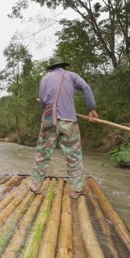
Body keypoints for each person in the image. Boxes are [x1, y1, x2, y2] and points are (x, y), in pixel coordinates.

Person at [30, 57, 98, 198]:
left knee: (42, 155)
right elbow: (85, 88)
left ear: (51, 68)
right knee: (74, 157)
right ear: (64, 67)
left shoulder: (44, 79)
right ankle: (75, 190)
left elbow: (43, 101)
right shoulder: (72, 76)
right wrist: (91, 108)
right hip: (68, 120)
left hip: (49, 119)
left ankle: (35, 186)